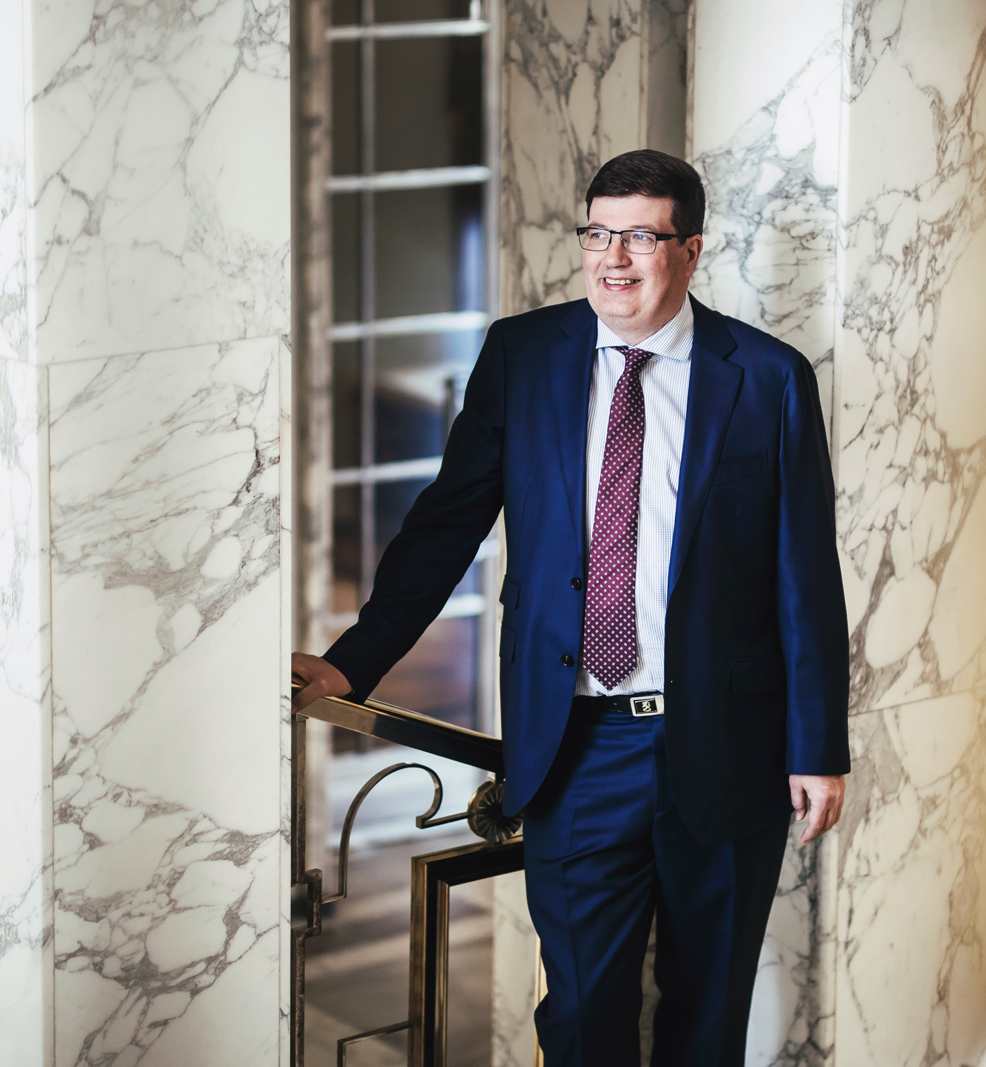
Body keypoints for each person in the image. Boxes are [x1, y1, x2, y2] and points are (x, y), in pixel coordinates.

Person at [292, 149, 850, 1066]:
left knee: (709, 1020)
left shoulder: (767, 376)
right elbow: (447, 524)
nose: (613, 258)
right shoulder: (523, 356)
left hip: (727, 743)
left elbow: (805, 572)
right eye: (598, 234)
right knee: (584, 1018)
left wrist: (818, 744)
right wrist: (355, 660)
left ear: (691, 249)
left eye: (641, 238)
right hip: (579, 748)